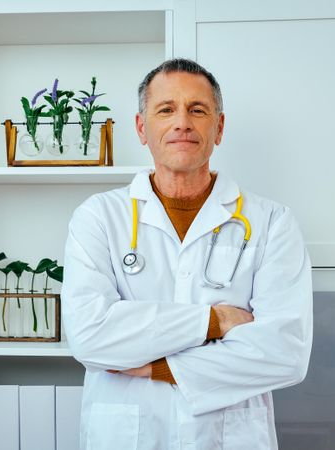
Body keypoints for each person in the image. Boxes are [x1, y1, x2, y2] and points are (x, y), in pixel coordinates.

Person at [61, 58, 313, 450]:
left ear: (219, 127)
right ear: (142, 128)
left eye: (198, 110)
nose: (182, 122)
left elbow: (285, 353)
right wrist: (216, 321)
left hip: (229, 437)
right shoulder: (98, 217)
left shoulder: (272, 222)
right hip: (127, 435)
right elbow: (89, 336)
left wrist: (156, 367)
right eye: (166, 110)